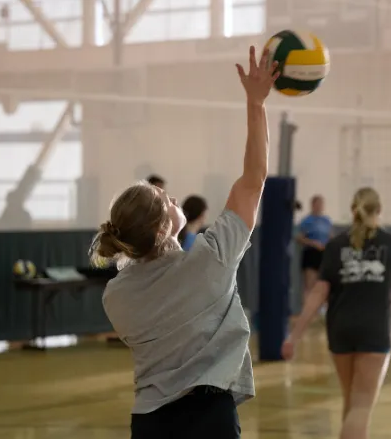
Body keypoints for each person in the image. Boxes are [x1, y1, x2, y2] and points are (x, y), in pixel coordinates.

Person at [91, 46, 278, 439]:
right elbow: (253, 180)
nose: (174, 198)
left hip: (149, 421)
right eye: (166, 201)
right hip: (208, 416)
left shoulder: (115, 296)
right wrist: (256, 102)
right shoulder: (211, 261)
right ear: (162, 229)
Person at [282, 187, 391, 439]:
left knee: (352, 404)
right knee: (361, 407)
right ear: (379, 210)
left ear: (353, 211)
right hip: (374, 329)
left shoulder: (335, 245)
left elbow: (318, 293)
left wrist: (293, 337)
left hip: (340, 329)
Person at [296, 195, 332, 300]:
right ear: (312, 205)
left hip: (323, 253)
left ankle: (322, 306)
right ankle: (307, 305)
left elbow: (330, 236)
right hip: (311, 253)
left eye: (321, 204)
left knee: (323, 283)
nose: (319, 206)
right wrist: (313, 243)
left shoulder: (326, 221)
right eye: (317, 204)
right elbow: (299, 238)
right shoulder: (307, 221)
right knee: (310, 284)